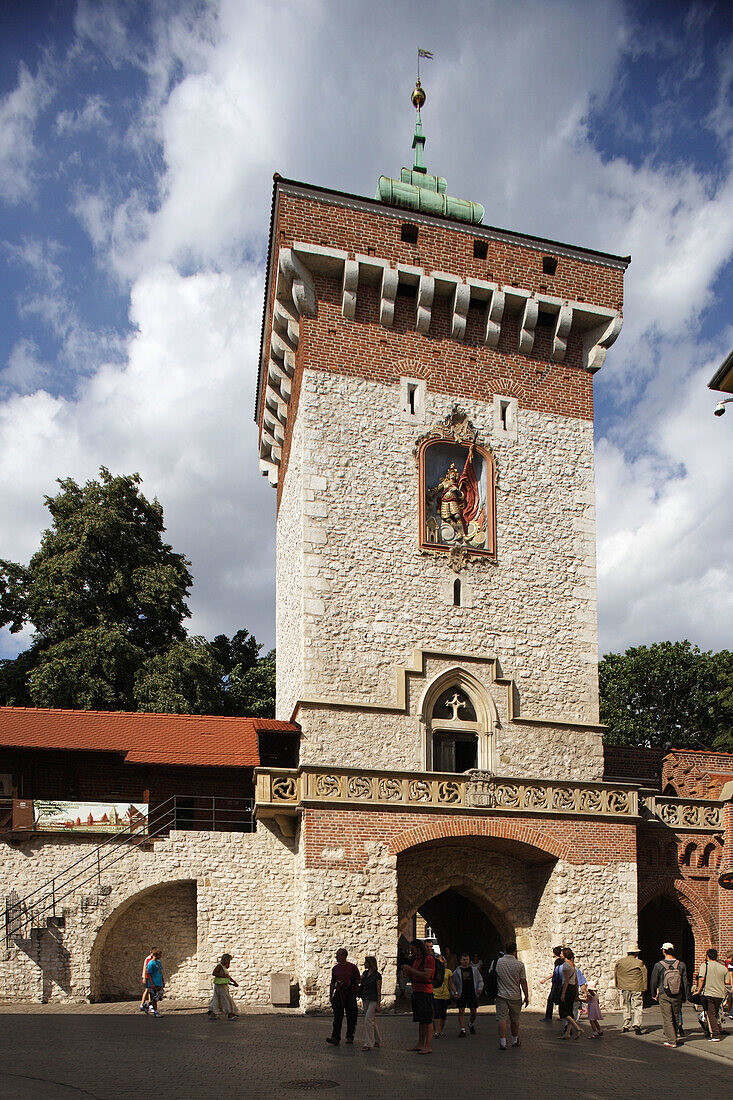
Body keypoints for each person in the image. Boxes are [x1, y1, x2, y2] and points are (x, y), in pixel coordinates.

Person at [650, 942, 689, 1048]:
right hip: (678, 993)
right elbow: (685, 981)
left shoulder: (659, 965)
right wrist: (686, 995)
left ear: (663, 951)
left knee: (667, 1017)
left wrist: (653, 993)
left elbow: (654, 980)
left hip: (664, 993)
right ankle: (674, 1036)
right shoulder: (681, 964)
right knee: (676, 1016)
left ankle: (672, 1040)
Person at [401, 940, 435, 1054]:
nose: (411, 951)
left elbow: (426, 975)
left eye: (412, 948)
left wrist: (411, 970)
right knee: (421, 1019)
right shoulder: (416, 960)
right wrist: (408, 972)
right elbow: (415, 973)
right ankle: (420, 1044)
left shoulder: (428, 959)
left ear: (418, 948)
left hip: (425, 992)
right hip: (417, 991)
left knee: (428, 1019)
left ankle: (428, 1045)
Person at [693, 947, 732, 1043]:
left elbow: (701, 979)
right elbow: (727, 982)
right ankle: (714, 1029)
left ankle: (715, 1034)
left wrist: (698, 990)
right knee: (715, 1013)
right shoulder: (723, 968)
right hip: (720, 994)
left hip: (708, 993)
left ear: (707, 956)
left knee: (710, 1014)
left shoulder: (704, 965)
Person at [495, 942, 529, 1050]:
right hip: (515, 995)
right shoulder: (519, 965)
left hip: (501, 994)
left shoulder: (499, 962)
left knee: (502, 1018)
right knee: (514, 1019)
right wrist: (526, 996)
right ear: (515, 950)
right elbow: (523, 981)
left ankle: (503, 1042)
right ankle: (515, 1040)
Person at [326, 948, 360, 1046]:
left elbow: (358, 980)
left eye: (338, 955)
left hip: (349, 993)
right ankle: (335, 1037)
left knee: (351, 1016)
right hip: (339, 993)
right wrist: (331, 994)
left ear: (344, 956)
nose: (336, 957)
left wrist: (349, 983)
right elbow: (333, 982)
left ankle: (350, 1036)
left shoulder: (352, 967)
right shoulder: (335, 968)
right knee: (337, 1016)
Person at [614, 943, 647, 1035]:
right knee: (637, 1006)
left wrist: (618, 985)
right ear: (636, 953)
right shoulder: (639, 962)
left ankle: (626, 1024)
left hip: (624, 986)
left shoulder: (620, 962)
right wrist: (645, 987)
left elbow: (616, 974)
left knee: (626, 1005)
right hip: (637, 986)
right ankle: (637, 1024)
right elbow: (644, 975)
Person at [450, 952, 483, 1036]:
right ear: (461, 961)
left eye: (467, 960)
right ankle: (462, 1029)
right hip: (462, 993)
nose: (465, 961)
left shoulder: (474, 970)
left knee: (474, 1011)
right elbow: (452, 982)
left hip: (472, 992)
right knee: (461, 1011)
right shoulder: (457, 971)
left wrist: (479, 988)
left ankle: (471, 1023)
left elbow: (480, 980)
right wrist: (454, 993)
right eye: (464, 960)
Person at [558, 948, 583, 1038]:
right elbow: (576, 980)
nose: (560, 955)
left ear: (565, 955)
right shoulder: (573, 966)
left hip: (567, 988)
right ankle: (567, 1033)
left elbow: (566, 980)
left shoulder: (565, 965)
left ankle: (578, 1028)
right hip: (572, 988)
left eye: (562, 953)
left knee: (563, 1011)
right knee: (569, 1010)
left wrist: (563, 993)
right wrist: (576, 992)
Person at [359, 956, 382, 1051]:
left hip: (373, 999)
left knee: (368, 1019)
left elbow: (378, 990)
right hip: (366, 998)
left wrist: (379, 1004)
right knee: (371, 1020)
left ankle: (368, 1043)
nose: (364, 964)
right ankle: (377, 1040)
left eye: (366, 962)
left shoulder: (377, 976)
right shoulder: (365, 973)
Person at [207, 953, 239, 1019]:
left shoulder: (223, 967)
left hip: (223, 985)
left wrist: (234, 982)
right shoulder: (219, 966)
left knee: (217, 998)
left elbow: (227, 977)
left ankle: (212, 1013)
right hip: (220, 986)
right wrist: (223, 976)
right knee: (225, 999)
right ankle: (229, 1013)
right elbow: (214, 973)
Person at [432, 955, 452, 1038]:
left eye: (440, 961)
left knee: (443, 1013)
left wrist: (455, 992)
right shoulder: (433, 971)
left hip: (445, 995)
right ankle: (437, 1030)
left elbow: (451, 983)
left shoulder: (448, 972)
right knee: (436, 1012)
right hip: (435, 994)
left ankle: (441, 1029)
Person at [543, 946, 564, 1022]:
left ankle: (548, 1016)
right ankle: (562, 1015)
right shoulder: (563, 961)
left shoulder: (557, 961)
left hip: (556, 982)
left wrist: (545, 979)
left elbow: (555, 972)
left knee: (550, 999)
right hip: (561, 982)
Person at [145, 949, 164, 1017]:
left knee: (159, 997)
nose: (161, 956)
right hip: (154, 982)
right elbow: (149, 974)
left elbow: (161, 972)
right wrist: (151, 983)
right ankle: (155, 1012)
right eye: (160, 955)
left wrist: (162, 981)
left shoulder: (158, 962)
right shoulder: (150, 963)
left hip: (159, 982)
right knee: (154, 998)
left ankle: (147, 1005)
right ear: (156, 955)